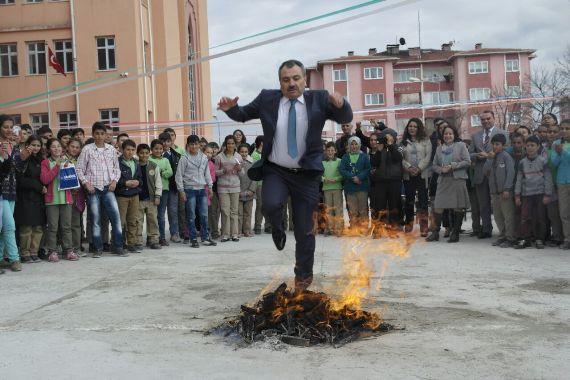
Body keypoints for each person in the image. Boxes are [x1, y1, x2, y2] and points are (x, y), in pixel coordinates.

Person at [218, 59, 352, 290]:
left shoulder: (318, 98)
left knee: (305, 229)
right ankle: (277, 229)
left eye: (296, 78)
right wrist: (230, 109)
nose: (291, 83)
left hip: (306, 175)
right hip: (276, 171)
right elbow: (243, 114)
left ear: (304, 80)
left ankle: (303, 278)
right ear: (280, 82)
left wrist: (341, 104)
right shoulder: (268, 98)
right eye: (286, 79)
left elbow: (344, 117)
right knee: (269, 205)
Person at [76, 122, 126, 258]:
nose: (99, 136)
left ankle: (119, 246)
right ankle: (97, 248)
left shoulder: (111, 150)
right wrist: (86, 183)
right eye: (96, 133)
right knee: (96, 219)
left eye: (102, 134)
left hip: (108, 188)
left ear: (106, 135)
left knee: (115, 218)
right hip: (94, 190)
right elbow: (79, 168)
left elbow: (117, 168)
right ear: (93, 134)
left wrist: (115, 181)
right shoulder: (87, 149)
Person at [426, 124, 471, 243]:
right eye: (446, 133)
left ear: (454, 134)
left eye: (450, 133)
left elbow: (467, 161)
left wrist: (453, 166)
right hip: (443, 181)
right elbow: (434, 165)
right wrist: (441, 170)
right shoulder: (439, 148)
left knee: (457, 207)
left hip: (457, 180)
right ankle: (435, 232)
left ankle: (455, 233)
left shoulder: (461, 146)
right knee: (438, 206)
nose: (448, 135)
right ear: (443, 135)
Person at [469, 110, 509, 239]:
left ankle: (505, 231)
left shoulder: (503, 134)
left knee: (501, 205)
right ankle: (486, 229)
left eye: (488, 118)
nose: (485, 121)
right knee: (483, 204)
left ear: (494, 118)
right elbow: (469, 155)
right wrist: (478, 156)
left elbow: (508, 152)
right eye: (483, 119)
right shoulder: (475, 136)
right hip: (481, 174)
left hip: (498, 175)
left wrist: (493, 155)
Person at [176, 135, 217, 248]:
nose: (194, 146)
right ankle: (193, 238)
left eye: (196, 144)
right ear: (188, 145)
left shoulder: (204, 157)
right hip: (189, 190)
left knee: (204, 215)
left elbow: (207, 173)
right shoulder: (184, 158)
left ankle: (205, 237)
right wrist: (181, 191)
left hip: (202, 189)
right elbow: (178, 176)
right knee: (191, 215)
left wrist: (210, 187)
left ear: (199, 145)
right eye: (191, 144)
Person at [40, 138, 77, 262]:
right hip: (52, 200)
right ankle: (52, 251)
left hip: (66, 199)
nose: (57, 149)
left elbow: (72, 180)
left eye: (59, 146)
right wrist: (57, 166)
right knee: (52, 227)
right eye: (54, 147)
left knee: (66, 226)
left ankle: (69, 250)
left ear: (63, 148)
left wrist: (74, 184)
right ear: (49, 149)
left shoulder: (68, 161)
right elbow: (45, 179)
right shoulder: (45, 162)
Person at [515, 135, 553, 249]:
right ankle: (525, 238)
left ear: (538, 147)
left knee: (540, 217)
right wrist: (517, 195)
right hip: (526, 195)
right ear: (524, 147)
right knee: (525, 217)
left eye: (532, 145)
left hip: (540, 194)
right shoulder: (522, 163)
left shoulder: (543, 161)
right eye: (528, 145)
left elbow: (548, 178)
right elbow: (519, 179)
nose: (530, 148)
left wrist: (547, 194)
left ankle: (539, 239)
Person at [15, 135, 45, 263]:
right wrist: (38, 186)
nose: (36, 148)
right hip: (25, 198)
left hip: (38, 198)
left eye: (38, 145)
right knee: (26, 228)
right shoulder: (22, 159)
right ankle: (24, 253)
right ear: (27, 145)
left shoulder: (41, 160)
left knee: (38, 227)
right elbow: (20, 180)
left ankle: (34, 252)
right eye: (33, 145)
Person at [483, 134, 516, 248]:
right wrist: (489, 159)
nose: (495, 146)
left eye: (497, 144)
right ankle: (502, 236)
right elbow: (486, 172)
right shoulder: (491, 157)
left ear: (503, 145)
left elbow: (511, 173)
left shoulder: (506, 157)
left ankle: (510, 237)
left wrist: (507, 188)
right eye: (493, 144)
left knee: (508, 216)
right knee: (498, 216)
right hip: (494, 192)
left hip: (505, 192)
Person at [401, 118, 431, 236]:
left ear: (419, 128)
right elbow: (401, 158)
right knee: (409, 201)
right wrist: (409, 167)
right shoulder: (403, 142)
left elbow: (427, 157)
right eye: (410, 126)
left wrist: (418, 168)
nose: (412, 128)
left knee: (423, 201)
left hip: (421, 174)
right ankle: (409, 225)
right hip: (408, 175)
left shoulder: (425, 140)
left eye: (414, 126)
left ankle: (424, 227)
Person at [0, 114, 22, 272]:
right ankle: (15, 258)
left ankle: (1, 258)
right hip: (1, 190)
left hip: (12, 190)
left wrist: (22, 155)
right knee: (9, 225)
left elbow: (17, 168)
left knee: (4, 227)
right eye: (5, 127)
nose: (8, 130)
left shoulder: (13, 145)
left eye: (10, 127)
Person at [370, 129, 403, 230]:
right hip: (381, 181)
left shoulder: (398, 148)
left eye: (390, 136)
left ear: (394, 137)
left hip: (395, 180)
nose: (388, 138)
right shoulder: (380, 149)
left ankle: (395, 226)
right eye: (386, 136)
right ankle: (379, 227)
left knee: (394, 204)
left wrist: (391, 146)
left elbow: (398, 158)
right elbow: (374, 163)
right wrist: (379, 151)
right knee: (380, 205)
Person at [214, 135, 243, 242]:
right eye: (228, 143)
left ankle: (234, 234)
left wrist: (239, 169)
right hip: (223, 188)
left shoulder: (238, 157)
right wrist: (223, 171)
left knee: (234, 211)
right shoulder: (219, 157)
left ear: (235, 145)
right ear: (225, 144)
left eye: (232, 143)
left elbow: (243, 174)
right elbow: (215, 173)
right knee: (225, 211)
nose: (230, 145)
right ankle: (225, 234)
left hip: (235, 187)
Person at [116, 139, 142, 253]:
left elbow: (140, 178)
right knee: (120, 221)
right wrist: (125, 183)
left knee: (133, 220)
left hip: (134, 195)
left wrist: (138, 183)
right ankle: (119, 244)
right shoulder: (117, 162)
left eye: (132, 150)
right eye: (127, 149)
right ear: (122, 150)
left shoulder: (136, 162)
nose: (130, 152)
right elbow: (114, 179)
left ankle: (131, 243)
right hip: (122, 196)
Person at [340, 136, 370, 229]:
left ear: (359, 145)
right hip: (350, 188)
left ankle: (364, 228)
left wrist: (359, 177)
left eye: (356, 144)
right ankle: (354, 228)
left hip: (362, 186)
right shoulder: (345, 157)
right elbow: (342, 169)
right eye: (352, 144)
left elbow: (367, 169)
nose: (354, 146)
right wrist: (353, 177)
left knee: (362, 209)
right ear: (349, 145)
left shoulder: (364, 156)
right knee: (353, 210)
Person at [136, 143, 162, 250]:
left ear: (149, 153)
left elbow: (158, 182)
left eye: (146, 153)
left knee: (153, 220)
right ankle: (137, 241)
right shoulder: (134, 165)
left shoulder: (154, 166)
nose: (144, 155)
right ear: (137, 154)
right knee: (138, 221)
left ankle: (153, 240)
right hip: (137, 199)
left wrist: (157, 196)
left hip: (151, 199)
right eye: (141, 153)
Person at [149, 139, 173, 246]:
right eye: (156, 149)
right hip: (151, 191)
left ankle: (162, 237)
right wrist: (161, 172)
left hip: (164, 190)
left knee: (161, 215)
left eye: (160, 149)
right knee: (152, 215)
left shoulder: (166, 160)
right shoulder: (149, 160)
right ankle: (152, 237)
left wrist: (161, 172)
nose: (158, 151)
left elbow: (170, 172)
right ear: (152, 149)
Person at [550, 119, 570, 250]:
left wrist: (562, 151)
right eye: (562, 128)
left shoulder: (561, 147)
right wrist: (557, 153)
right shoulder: (556, 143)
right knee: (564, 212)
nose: (564, 131)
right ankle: (567, 239)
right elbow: (554, 163)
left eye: (567, 128)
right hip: (562, 182)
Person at [159, 132, 182, 243]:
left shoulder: (176, 155)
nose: (165, 143)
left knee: (173, 211)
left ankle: (174, 233)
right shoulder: (155, 155)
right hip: (161, 189)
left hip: (173, 188)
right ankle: (160, 235)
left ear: (171, 142)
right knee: (160, 213)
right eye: (163, 141)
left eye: (167, 141)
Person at [66, 138, 86, 256]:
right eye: (72, 146)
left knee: (76, 223)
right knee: (65, 223)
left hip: (77, 195)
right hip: (64, 195)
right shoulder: (62, 159)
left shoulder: (81, 161)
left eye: (77, 147)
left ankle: (76, 247)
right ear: (67, 146)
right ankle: (66, 248)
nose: (74, 149)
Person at [322, 142, 343, 235]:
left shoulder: (339, 161)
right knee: (328, 209)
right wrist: (324, 179)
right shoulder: (322, 162)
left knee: (337, 209)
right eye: (328, 150)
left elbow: (342, 175)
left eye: (332, 150)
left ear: (335, 151)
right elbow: (319, 175)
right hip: (326, 188)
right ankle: (329, 228)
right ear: (325, 152)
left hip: (337, 187)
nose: (330, 152)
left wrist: (336, 179)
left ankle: (338, 229)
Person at [237, 143, 256, 237]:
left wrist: (251, 190)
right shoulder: (236, 164)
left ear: (248, 152)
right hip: (238, 192)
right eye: (241, 152)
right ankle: (239, 231)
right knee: (239, 213)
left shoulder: (252, 163)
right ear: (238, 152)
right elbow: (234, 178)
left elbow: (255, 178)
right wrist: (238, 191)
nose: (244, 154)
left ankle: (247, 230)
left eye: (245, 152)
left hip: (249, 192)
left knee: (248, 213)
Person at [251, 136, 267, 234]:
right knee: (260, 205)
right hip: (259, 183)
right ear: (261, 143)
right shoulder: (255, 155)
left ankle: (268, 225)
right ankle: (257, 226)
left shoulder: (266, 153)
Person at [206, 142, 221, 240]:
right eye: (212, 149)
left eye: (216, 148)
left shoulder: (219, 159)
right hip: (209, 189)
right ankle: (214, 231)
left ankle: (215, 230)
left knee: (216, 211)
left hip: (219, 188)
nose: (214, 150)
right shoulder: (207, 161)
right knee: (211, 212)